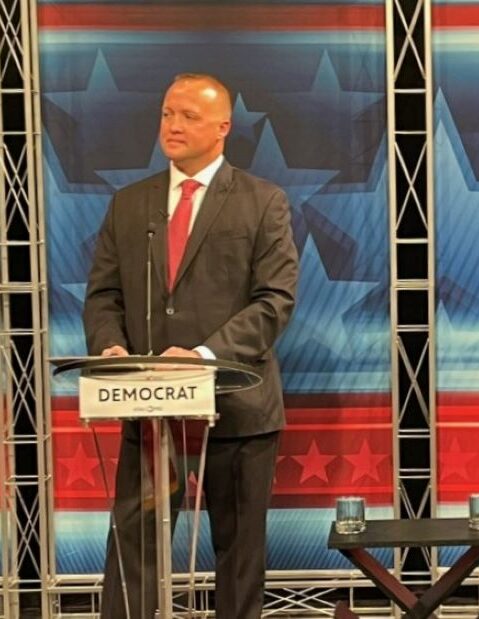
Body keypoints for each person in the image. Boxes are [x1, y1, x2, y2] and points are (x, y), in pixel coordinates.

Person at [83, 73, 299, 619]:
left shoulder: (262, 202)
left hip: (237, 409)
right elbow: (104, 295)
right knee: (133, 547)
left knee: (239, 553)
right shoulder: (129, 205)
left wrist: (203, 357)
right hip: (149, 409)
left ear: (223, 127)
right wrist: (111, 349)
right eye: (167, 114)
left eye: (189, 116)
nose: (173, 126)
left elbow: (274, 300)